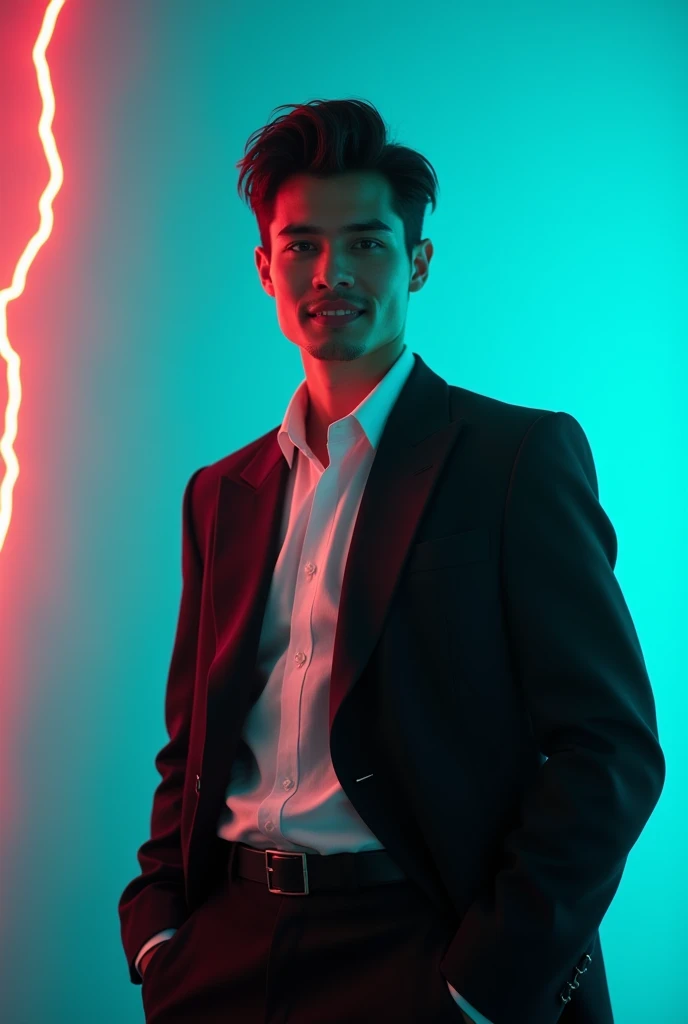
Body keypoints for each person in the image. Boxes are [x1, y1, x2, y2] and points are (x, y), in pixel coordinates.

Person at [118, 98, 665, 1024]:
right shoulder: (221, 492)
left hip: (420, 951)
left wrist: (487, 980)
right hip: (229, 951)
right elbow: (193, 743)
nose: (333, 272)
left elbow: (609, 749)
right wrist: (159, 934)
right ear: (265, 268)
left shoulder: (515, 460)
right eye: (302, 246)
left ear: (417, 262)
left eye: (368, 243)